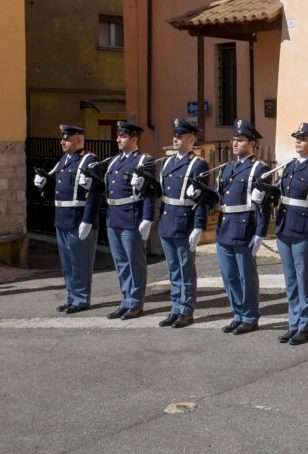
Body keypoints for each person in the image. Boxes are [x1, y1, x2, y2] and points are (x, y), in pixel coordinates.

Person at [191, 118, 268, 335]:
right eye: (234, 139)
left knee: (246, 276)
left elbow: (264, 204)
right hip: (224, 228)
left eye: (240, 140)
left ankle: (250, 316)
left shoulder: (258, 169)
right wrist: (200, 192)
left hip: (244, 228)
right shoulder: (228, 168)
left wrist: (260, 233)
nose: (234, 143)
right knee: (229, 275)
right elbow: (216, 194)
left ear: (252, 143)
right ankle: (238, 314)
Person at [33, 125, 100, 313]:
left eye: (67, 139)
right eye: (63, 139)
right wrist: (43, 184)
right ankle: (72, 297)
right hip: (62, 218)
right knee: (68, 263)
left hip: (78, 219)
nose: (62, 142)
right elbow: (57, 188)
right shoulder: (64, 160)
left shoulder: (88, 160)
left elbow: (95, 193)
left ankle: (81, 299)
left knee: (80, 262)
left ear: (79, 140)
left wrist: (87, 220)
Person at [274, 123, 308, 345]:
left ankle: (305, 326)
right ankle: (293, 323)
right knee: (290, 280)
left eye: (304, 138)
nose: (298, 141)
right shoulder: (289, 166)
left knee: (304, 280)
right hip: (284, 228)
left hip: (305, 230)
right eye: (297, 137)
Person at [156, 117, 209, 328]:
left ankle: (186, 309)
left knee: (185, 268)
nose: (175, 139)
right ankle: (175, 308)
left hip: (184, 223)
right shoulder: (168, 162)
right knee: (173, 268)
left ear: (191, 139)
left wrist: (198, 226)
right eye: (174, 135)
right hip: (167, 221)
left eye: (180, 136)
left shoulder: (198, 164)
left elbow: (201, 199)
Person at [102, 121, 156, 320]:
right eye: (118, 136)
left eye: (123, 136)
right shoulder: (114, 162)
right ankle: (125, 300)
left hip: (132, 217)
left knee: (135, 263)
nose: (118, 139)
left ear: (134, 139)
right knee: (121, 264)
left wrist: (147, 218)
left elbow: (149, 192)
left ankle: (135, 303)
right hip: (114, 217)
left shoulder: (143, 161)